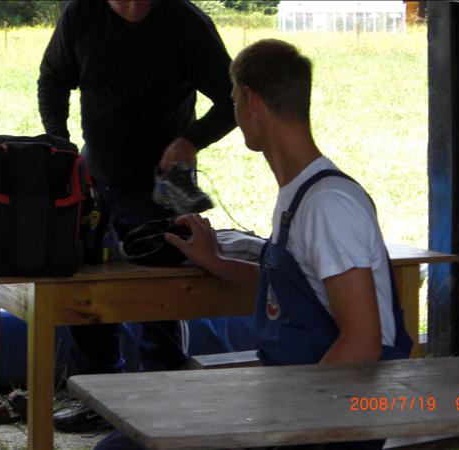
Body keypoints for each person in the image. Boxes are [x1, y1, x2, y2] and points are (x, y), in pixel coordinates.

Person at [93, 38, 413, 450]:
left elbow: (363, 341)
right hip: (295, 398)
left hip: (332, 424)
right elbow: (294, 291)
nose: (236, 115)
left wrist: (284, 427)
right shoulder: (299, 195)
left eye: (233, 101)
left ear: (251, 100)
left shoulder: (328, 204)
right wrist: (216, 261)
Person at [37, 0, 236, 432]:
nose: (132, 6)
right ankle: (98, 397)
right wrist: (60, 145)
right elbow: (53, 78)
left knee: (163, 287)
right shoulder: (81, 15)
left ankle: (163, 400)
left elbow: (233, 97)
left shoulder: (186, 23)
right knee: (84, 280)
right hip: (94, 168)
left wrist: (192, 140)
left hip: (165, 178)